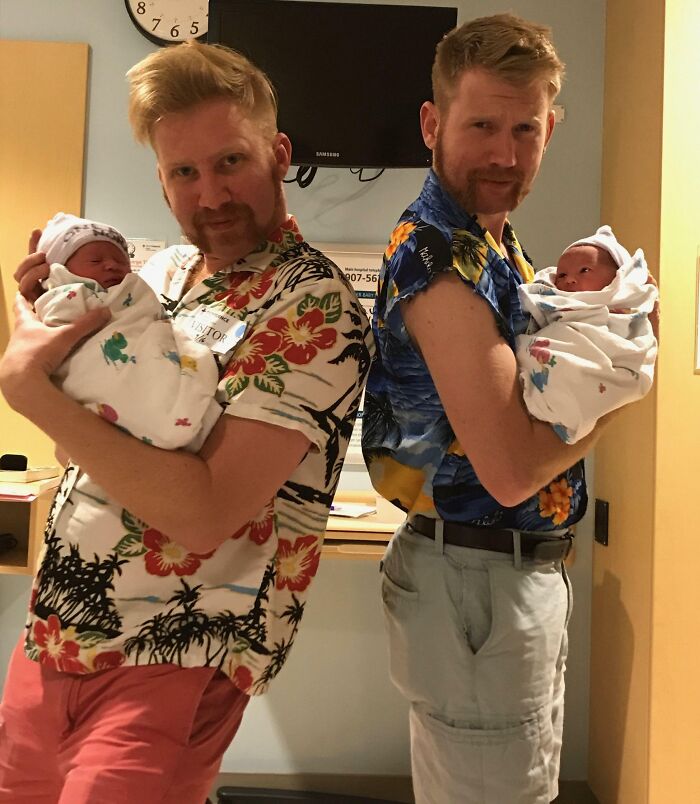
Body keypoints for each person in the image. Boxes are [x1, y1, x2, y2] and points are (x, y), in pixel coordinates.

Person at [0, 41, 372, 804]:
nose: (211, 196)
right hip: (57, 630)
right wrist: (45, 320)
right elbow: (85, 444)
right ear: (161, 180)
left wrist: (27, 384)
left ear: (278, 152)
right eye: (184, 172)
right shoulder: (154, 275)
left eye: (230, 162)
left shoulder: (314, 305)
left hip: (176, 652)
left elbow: (203, 513)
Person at [362, 13, 656, 804]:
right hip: (477, 592)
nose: (504, 152)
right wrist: (627, 390)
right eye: (482, 124)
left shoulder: (493, 243)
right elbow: (513, 467)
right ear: (433, 123)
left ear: (551, 128)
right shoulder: (441, 257)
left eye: (525, 127)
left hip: (487, 589)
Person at [35, 211, 222, 451]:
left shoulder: (136, 288)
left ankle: (172, 411)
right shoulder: (66, 294)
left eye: (121, 260)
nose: (112, 265)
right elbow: (55, 333)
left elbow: (150, 317)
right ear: (62, 268)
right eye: (95, 260)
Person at [517, 224, 658, 444]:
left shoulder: (621, 315)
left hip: (594, 365)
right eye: (562, 274)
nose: (569, 280)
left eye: (584, 270)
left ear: (616, 278)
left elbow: (631, 351)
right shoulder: (553, 301)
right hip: (558, 351)